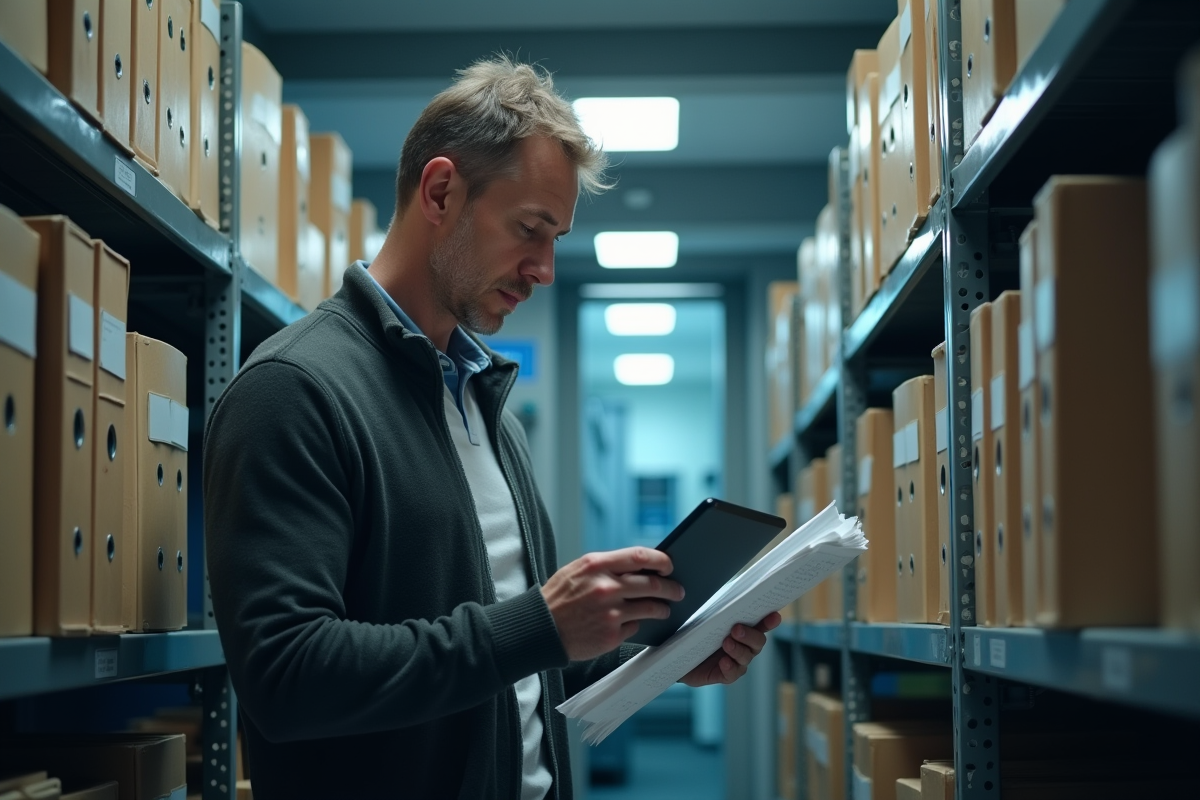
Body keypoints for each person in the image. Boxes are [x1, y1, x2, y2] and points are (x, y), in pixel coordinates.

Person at [203, 55, 781, 800]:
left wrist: (665, 662)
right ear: (441, 191)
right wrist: (539, 623)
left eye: (556, 240)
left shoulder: (487, 410)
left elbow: (517, 665)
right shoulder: (295, 390)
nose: (543, 269)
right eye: (529, 229)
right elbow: (285, 677)